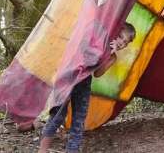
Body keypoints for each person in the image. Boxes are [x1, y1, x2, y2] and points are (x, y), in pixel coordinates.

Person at [37, 23, 136, 153]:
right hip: (70, 75)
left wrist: (108, 56)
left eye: (125, 42)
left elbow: (97, 73)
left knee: (79, 119)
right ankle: (42, 150)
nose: (121, 43)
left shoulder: (113, 57)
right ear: (114, 32)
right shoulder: (98, 39)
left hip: (84, 82)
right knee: (58, 114)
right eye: (120, 37)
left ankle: (72, 150)